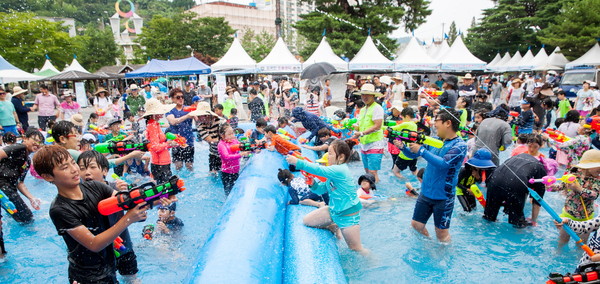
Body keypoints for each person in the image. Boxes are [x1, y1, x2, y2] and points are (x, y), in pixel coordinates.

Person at [34, 145, 173, 284]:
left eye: (72, 162)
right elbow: (94, 244)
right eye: (65, 167)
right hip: (88, 276)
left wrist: (156, 199)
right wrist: (129, 218)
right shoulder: (60, 209)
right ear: (47, 177)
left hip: (109, 263)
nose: (74, 169)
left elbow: (127, 202)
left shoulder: (95, 186)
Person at [395, 108, 467, 242]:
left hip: (443, 196)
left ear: (448, 123)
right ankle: (429, 245)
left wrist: (421, 150)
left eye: (437, 120)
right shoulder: (433, 140)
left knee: (441, 233)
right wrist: (403, 148)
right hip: (426, 192)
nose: (434, 123)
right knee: (416, 225)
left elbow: (444, 164)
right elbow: (413, 154)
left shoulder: (460, 145)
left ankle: (444, 256)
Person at [286, 140, 368, 255]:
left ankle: (373, 261)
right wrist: (312, 183)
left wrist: (298, 162)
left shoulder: (340, 170)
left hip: (347, 216)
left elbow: (319, 169)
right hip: (333, 210)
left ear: (341, 157)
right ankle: (334, 227)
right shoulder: (332, 174)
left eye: (330, 153)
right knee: (306, 221)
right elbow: (320, 189)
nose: (327, 156)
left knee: (356, 249)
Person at [76, 151, 140, 281]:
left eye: (92, 167)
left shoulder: (117, 191)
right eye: (82, 168)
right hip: (98, 253)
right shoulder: (76, 195)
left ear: (105, 171)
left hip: (123, 247)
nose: (87, 172)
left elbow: (138, 211)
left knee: (132, 278)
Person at [550, 150, 600, 248]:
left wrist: (579, 189)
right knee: (563, 239)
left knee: (581, 243)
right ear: (588, 167)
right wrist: (551, 187)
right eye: (598, 169)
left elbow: (595, 195)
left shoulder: (597, 181)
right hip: (568, 215)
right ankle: (558, 253)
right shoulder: (574, 175)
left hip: (586, 217)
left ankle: (579, 258)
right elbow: (562, 185)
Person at [483, 153, 546, 228]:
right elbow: (537, 199)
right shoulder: (541, 169)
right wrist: (534, 220)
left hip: (495, 178)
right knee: (517, 223)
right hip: (515, 183)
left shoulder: (516, 157)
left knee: (488, 217)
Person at [0, 128, 44, 224]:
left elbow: (20, 183)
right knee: (27, 217)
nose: (37, 143)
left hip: (9, 189)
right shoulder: (19, 148)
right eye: (35, 140)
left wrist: (31, 198)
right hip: (2, 186)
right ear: (25, 138)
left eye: (40, 142)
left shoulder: (27, 161)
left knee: (21, 218)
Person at [351, 83, 386, 183]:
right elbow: (361, 125)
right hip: (364, 144)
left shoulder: (377, 108)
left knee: (372, 172)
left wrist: (361, 133)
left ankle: (376, 192)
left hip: (375, 143)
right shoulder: (362, 110)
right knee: (367, 172)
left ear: (373, 96)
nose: (365, 97)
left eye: (367, 95)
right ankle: (369, 192)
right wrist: (356, 128)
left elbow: (377, 126)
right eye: (363, 94)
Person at [165, 88, 196, 171]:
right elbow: (173, 121)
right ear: (172, 99)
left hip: (188, 141)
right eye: (178, 97)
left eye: (182, 97)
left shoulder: (189, 108)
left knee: (189, 166)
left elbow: (198, 120)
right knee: (178, 166)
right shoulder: (169, 110)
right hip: (176, 142)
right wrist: (187, 116)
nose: (181, 99)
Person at [191, 102, 225, 175]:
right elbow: (210, 140)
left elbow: (228, 138)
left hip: (225, 153)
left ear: (207, 115)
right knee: (212, 174)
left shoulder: (221, 122)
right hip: (213, 153)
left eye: (200, 116)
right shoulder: (200, 126)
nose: (198, 118)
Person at [217, 124, 250, 195]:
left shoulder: (234, 141)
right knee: (229, 192)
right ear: (222, 135)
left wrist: (253, 149)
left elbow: (243, 147)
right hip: (226, 173)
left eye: (232, 133)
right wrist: (240, 154)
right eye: (229, 134)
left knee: (236, 190)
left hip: (235, 171)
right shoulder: (221, 145)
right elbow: (226, 157)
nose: (232, 135)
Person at [388, 107, 418, 179]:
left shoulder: (406, 124)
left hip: (405, 153)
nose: (402, 120)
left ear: (407, 116)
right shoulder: (414, 124)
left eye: (403, 118)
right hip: (414, 151)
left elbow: (393, 128)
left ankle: (406, 182)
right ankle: (421, 180)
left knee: (395, 171)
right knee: (414, 170)